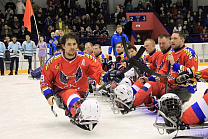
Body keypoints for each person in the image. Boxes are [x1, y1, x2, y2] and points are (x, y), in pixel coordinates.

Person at [40, 32, 122, 130]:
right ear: (63, 46)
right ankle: (78, 111)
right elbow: (45, 80)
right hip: (62, 92)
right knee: (71, 93)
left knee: (91, 106)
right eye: (69, 44)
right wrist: (48, 95)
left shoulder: (87, 58)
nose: (72, 47)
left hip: (82, 92)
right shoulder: (53, 61)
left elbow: (98, 73)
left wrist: (108, 76)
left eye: (74, 44)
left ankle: (79, 109)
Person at [114, 32, 198, 114]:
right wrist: (149, 78)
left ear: (182, 40)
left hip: (182, 88)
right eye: (171, 38)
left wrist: (174, 64)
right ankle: (129, 100)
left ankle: (131, 104)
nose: (172, 41)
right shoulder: (171, 53)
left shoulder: (190, 53)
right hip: (167, 84)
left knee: (149, 85)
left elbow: (191, 73)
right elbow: (162, 72)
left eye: (175, 38)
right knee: (146, 83)